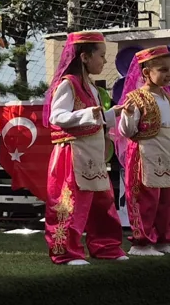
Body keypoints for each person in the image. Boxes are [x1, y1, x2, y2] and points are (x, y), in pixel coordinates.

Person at [43, 31, 125, 265]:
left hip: (92, 154)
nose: (105, 61)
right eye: (101, 55)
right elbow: (56, 116)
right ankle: (66, 251)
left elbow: (94, 118)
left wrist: (112, 114)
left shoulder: (90, 86)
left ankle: (106, 246)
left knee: (103, 201)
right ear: (85, 57)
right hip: (72, 154)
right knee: (70, 204)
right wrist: (90, 113)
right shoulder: (68, 84)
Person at [116, 46, 170, 257]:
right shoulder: (136, 98)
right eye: (163, 70)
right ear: (146, 73)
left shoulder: (167, 98)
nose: (169, 74)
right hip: (143, 154)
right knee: (145, 199)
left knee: (165, 200)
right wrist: (126, 115)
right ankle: (141, 243)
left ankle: (164, 240)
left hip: (164, 154)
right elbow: (126, 131)